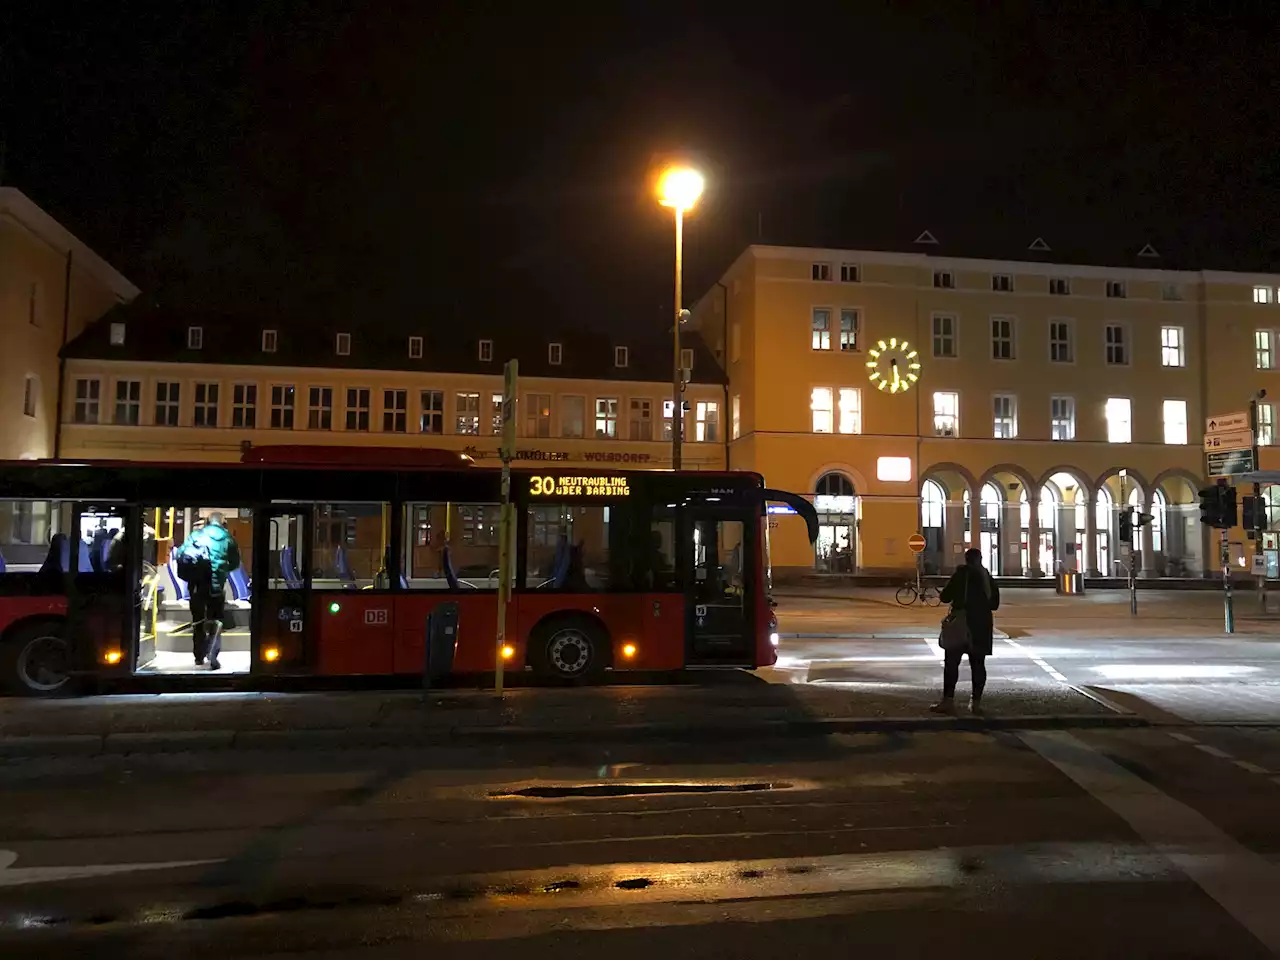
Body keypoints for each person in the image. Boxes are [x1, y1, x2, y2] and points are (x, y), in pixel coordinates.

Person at [932, 547, 1000, 716]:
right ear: (981, 559)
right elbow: (994, 604)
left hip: (961, 624)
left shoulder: (961, 575)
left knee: (951, 663)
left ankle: (948, 701)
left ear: (966, 559)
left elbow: (945, 597)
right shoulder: (987, 578)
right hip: (981, 626)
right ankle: (975, 703)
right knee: (978, 665)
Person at [176, 512, 241, 670]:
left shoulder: (195, 535)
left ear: (207, 522)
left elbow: (180, 554)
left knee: (198, 619)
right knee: (216, 618)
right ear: (223, 523)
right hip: (216, 585)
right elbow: (235, 563)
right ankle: (213, 654)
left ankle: (198, 656)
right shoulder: (227, 538)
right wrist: (222, 570)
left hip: (196, 584)